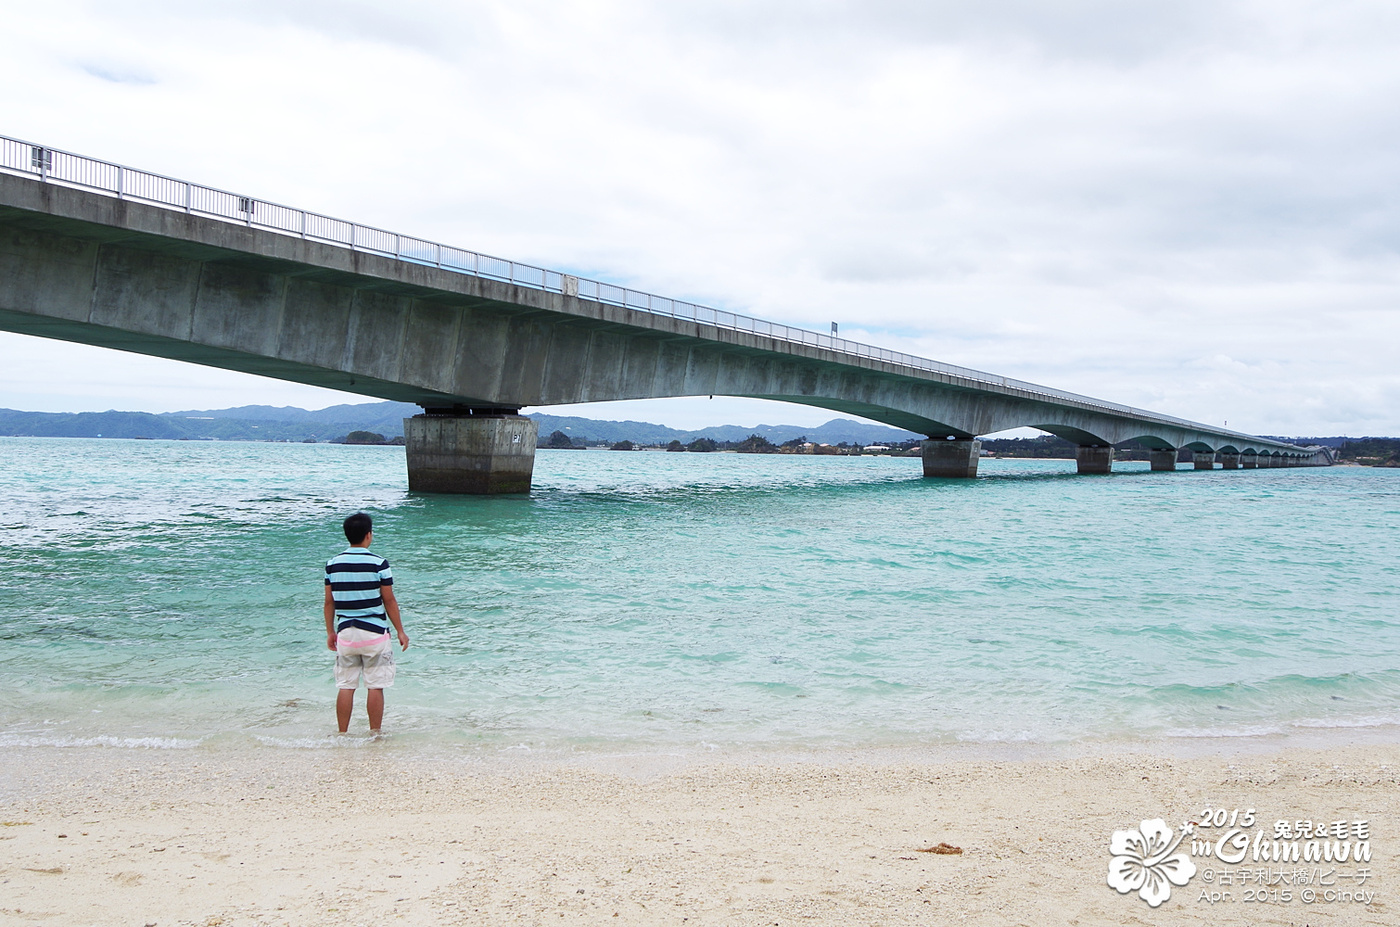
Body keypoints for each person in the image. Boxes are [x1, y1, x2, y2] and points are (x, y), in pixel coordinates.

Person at [324, 512, 409, 733]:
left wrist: (330, 632)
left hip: (346, 633)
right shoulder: (379, 563)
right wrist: (400, 630)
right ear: (368, 535)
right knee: (375, 686)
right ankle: (375, 734)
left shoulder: (332, 565)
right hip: (374, 633)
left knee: (345, 686)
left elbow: (328, 603)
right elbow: (388, 599)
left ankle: (342, 733)